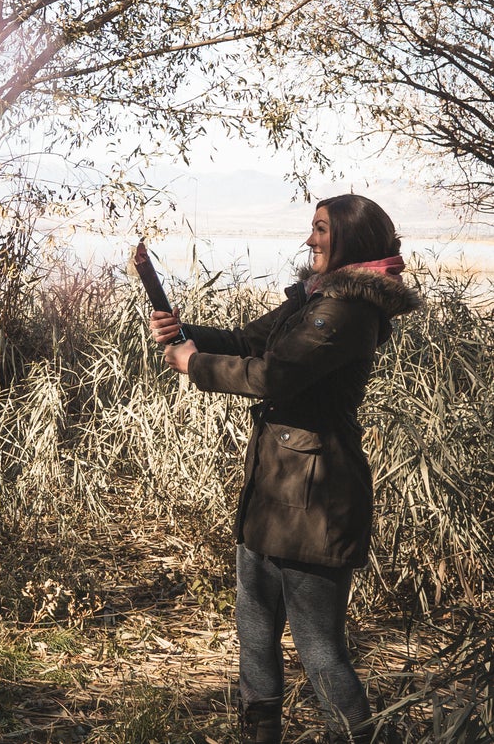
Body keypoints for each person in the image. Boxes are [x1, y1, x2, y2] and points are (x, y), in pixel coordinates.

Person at [150, 194, 419, 744]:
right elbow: (251, 342)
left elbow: (274, 375)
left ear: (351, 237)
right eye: (311, 227)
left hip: (317, 500)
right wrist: (186, 334)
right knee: (255, 630)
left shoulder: (345, 309)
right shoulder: (317, 299)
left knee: (320, 649)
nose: (309, 239)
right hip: (275, 487)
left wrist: (193, 364)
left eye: (320, 229)